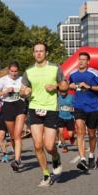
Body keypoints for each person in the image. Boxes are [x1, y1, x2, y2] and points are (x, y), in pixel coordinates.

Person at [24, 43, 64, 187]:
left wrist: (56, 86)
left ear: (46, 53)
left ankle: (55, 156)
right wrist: (24, 92)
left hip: (51, 109)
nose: (39, 53)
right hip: (34, 109)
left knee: (48, 146)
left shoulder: (55, 68)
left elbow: (65, 85)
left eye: (41, 51)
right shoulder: (29, 71)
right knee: (38, 144)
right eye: (36, 51)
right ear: (33, 53)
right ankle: (46, 175)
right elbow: (23, 89)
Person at [68, 52, 98, 171]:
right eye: (80, 59)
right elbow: (67, 85)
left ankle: (91, 155)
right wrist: (71, 86)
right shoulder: (73, 74)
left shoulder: (94, 73)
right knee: (79, 130)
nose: (81, 61)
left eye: (84, 60)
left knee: (92, 134)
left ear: (88, 62)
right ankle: (83, 159)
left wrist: (89, 87)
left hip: (92, 107)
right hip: (78, 106)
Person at [0, 62, 29, 172]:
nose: (14, 73)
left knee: (18, 134)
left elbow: (27, 92)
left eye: (16, 71)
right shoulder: (2, 80)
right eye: (12, 71)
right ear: (8, 70)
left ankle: (17, 160)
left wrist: (25, 92)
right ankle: (16, 152)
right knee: (12, 135)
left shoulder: (22, 79)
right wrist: (5, 91)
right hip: (7, 106)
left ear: (18, 71)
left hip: (20, 105)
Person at [56, 81, 75, 153]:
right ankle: (65, 146)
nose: (62, 92)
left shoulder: (71, 97)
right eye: (61, 91)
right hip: (60, 117)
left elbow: (76, 107)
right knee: (60, 132)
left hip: (69, 117)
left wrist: (72, 109)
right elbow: (57, 107)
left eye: (64, 91)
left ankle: (72, 137)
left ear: (67, 90)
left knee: (70, 134)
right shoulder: (58, 98)